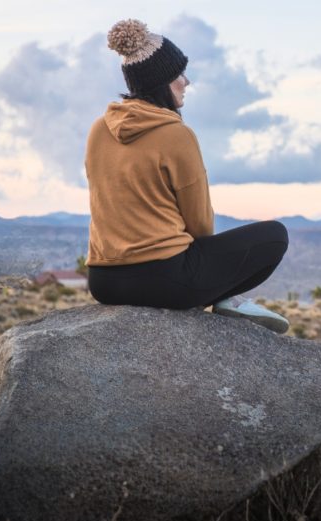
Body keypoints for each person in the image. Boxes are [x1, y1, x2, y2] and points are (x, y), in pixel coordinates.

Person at [84, 19, 290, 334]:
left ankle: (227, 298)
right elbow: (201, 226)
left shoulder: (99, 129)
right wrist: (213, 277)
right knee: (276, 235)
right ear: (161, 82)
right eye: (179, 74)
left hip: (103, 281)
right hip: (163, 280)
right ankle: (227, 299)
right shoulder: (176, 135)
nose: (187, 81)